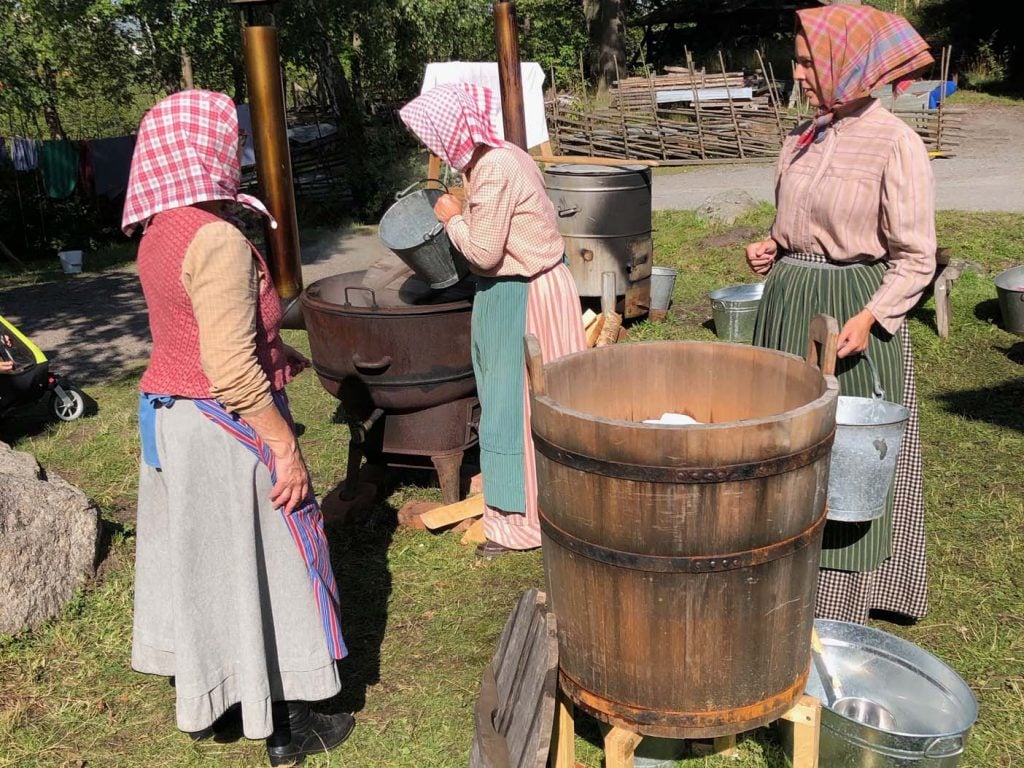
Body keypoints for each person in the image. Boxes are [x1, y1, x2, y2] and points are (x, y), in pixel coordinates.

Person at [122, 90, 354, 766]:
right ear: (208, 151)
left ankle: (213, 697)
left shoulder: (161, 230)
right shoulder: (217, 238)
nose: (239, 154)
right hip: (226, 427)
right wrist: (284, 447)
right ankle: (286, 726)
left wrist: (278, 349)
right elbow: (225, 364)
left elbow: (189, 330)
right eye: (231, 142)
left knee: (210, 564)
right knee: (272, 561)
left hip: (173, 422)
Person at [745, 5, 936, 624]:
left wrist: (874, 317)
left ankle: (838, 606)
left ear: (843, 64)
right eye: (797, 60)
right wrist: (774, 245)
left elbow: (915, 257)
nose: (796, 73)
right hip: (787, 312)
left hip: (847, 319)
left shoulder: (896, 143)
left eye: (807, 61)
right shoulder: (803, 136)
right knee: (783, 447)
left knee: (843, 458)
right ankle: (778, 577)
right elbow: (799, 223)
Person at [398, 84, 586, 558]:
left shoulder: (495, 168)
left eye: (430, 136)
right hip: (536, 287)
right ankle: (555, 505)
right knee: (539, 404)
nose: (430, 147)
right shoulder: (501, 155)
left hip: (523, 297)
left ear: (449, 131)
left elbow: (484, 250)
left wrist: (451, 217)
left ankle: (518, 525)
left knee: (512, 408)